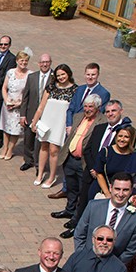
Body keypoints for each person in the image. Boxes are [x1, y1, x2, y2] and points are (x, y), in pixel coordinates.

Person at [53, 95, 105, 229]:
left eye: (91, 107)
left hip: (84, 162)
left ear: (98, 108)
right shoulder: (78, 116)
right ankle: (69, 210)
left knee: (82, 192)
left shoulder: (102, 122)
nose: (87, 109)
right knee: (71, 187)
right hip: (70, 158)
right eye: (86, 106)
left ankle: (77, 217)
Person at [73, 173, 136, 263]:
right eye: (117, 189)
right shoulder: (93, 206)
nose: (121, 194)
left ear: (131, 191)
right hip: (86, 260)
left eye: (125, 190)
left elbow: (132, 249)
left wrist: (112, 266)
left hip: (113, 265)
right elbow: (79, 234)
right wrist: (82, 256)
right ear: (111, 188)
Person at [30, 64, 77, 189]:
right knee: (43, 147)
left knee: (54, 150)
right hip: (46, 122)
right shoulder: (50, 87)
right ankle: (40, 174)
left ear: (68, 74)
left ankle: (52, 176)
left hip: (60, 124)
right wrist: (34, 121)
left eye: (63, 74)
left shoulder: (75, 90)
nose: (61, 77)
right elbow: (41, 106)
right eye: (58, 75)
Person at [19, 53, 52, 172]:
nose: (44, 64)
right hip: (31, 112)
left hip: (47, 115)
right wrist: (22, 114)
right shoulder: (32, 76)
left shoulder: (54, 78)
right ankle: (28, 160)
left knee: (41, 141)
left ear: (50, 63)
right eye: (42, 62)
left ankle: (40, 165)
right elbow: (25, 97)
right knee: (28, 139)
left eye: (47, 62)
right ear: (39, 64)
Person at [93, 125, 136, 199]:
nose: (122, 139)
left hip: (124, 195)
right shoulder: (106, 152)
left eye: (126, 137)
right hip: (103, 192)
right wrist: (107, 193)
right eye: (120, 136)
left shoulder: (135, 155)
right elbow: (99, 173)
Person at [0, 49, 30, 160]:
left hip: (20, 105)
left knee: (15, 130)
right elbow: (4, 87)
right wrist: (7, 100)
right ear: (17, 60)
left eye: (25, 61)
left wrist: (20, 103)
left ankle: (11, 149)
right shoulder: (10, 72)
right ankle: (5, 147)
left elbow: (29, 93)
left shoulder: (29, 75)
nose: (23, 63)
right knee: (6, 127)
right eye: (21, 60)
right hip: (8, 104)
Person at [65, 62, 110, 132]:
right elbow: (71, 109)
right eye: (88, 74)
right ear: (84, 74)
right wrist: (69, 125)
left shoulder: (104, 93)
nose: (90, 77)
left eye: (93, 75)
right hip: (72, 127)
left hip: (86, 128)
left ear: (98, 75)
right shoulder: (79, 89)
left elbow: (98, 114)